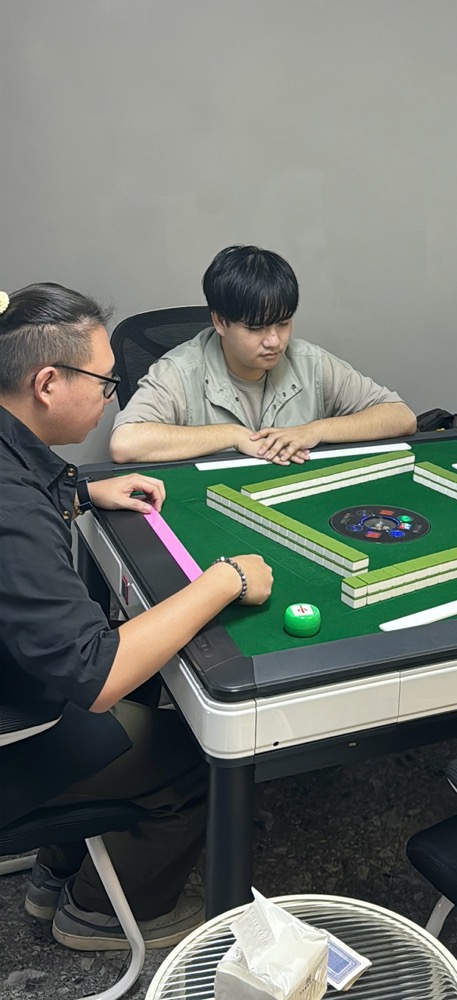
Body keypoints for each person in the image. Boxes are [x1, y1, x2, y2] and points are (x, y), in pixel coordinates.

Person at [0, 283, 273, 951]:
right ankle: (99, 914)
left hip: (17, 692)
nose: (109, 396)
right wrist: (226, 580)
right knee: (203, 753)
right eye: (104, 382)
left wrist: (82, 488)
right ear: (47, 383)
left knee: (149, 690)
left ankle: (54, 875)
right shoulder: (11, 510)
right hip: (16, 737)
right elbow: (97, 674)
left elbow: (30, 484)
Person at [109, 245, 417, 464]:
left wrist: (315, 430)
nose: (275, 341)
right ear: (220, 322)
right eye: (256, 328)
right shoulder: (179, 371)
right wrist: (232, 436)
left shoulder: (309, 361)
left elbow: (400, 416)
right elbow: (125, 443)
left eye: (283, 324)